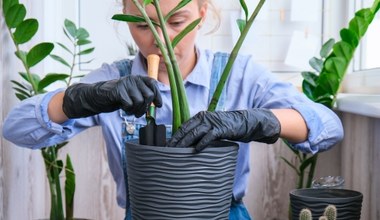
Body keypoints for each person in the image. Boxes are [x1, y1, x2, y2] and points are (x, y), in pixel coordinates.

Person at [2, 0, 344, 219]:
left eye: (177, 21)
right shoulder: (113, 80)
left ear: (203, 13)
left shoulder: (239, 74)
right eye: (142, 26)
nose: (161, 39)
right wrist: (82, 98)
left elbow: (328, 127)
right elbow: (15, 127)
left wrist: (257, 121)